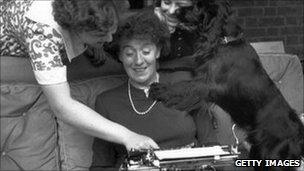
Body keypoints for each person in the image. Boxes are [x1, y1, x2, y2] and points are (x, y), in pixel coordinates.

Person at [0, 0, 158, 151]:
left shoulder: (85, 10)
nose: (110, 38)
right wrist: (127, 136)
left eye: (111, 30)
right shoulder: (42, 37)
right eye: (100, 34)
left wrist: (95, 42)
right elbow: (62, 107)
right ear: (76, 30)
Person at [90, 11, 201, 170]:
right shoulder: (106, 102)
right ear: (120, 56)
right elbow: (99, 166)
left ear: (158, 51)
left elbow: (212, 145)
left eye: (146, 51)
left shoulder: (184, 83)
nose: (138, 61)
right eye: (129, 53)